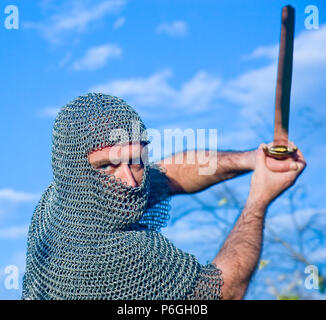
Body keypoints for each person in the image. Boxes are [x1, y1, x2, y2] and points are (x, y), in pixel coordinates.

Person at [22, 93, 306, 300]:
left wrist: (252, 159)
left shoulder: (54, 206)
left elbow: (170, 173)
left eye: (136, 160)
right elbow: (224, 292)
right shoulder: (121, 254)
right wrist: (258, 200)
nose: (131, 181)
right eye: (107, 165)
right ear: (75, 167)